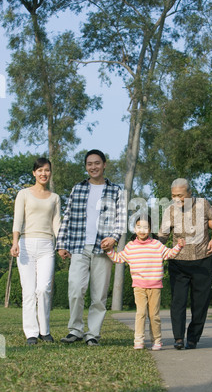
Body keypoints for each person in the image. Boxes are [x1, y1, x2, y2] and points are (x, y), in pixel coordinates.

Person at [56, 149, 126, 346]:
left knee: (98, 295)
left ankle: (93, 333)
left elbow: (121, 218)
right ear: (86, 167)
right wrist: (61, 244)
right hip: (78, 245)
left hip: (102, 248)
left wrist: (113, 237)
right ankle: (75, 330)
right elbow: (67, 216)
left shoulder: (116, 190)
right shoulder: (77, 188)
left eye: (97, 163)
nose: (93, 167)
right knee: (76, 289)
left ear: (104, 165)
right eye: (89, 164)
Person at [103, 216, 185, 350]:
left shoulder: (156, 245)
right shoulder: (130, 247)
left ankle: (157, 340)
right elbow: (118, 258)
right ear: (134, 229)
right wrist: (109, 251)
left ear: (150, 229)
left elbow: (170, 254)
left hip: (155, 286)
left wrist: (179, 246)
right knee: (141, 314)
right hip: (139, 286)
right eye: (139, 227)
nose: (142, 230)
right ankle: (139, 340)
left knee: (154, 315)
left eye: (145, 227)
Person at [158, 178, 212, 350]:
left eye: (180, 195)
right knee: (178, 301)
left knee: (200, 303)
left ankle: (193, 338)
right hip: (178, 262)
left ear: (189, 193)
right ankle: (178, 338)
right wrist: (152, 245)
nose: (177, 199)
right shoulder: (170, 210)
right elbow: (162, 235)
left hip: (202, 260)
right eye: (173, 196)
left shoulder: (203, 204)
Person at [10, 157, 61, 345]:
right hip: (25, 245)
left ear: (50, 172)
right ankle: (31, 333)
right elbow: (17, 220)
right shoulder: (23, 194)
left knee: (44, 289)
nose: (43, 173)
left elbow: (57, 223)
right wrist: (15, 242)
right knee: (29, 291)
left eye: (47, 170)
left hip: (47, 246)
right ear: (34, 173)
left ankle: (44, 330)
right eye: (40, 170)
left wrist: (61, 245)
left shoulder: (55, 198)